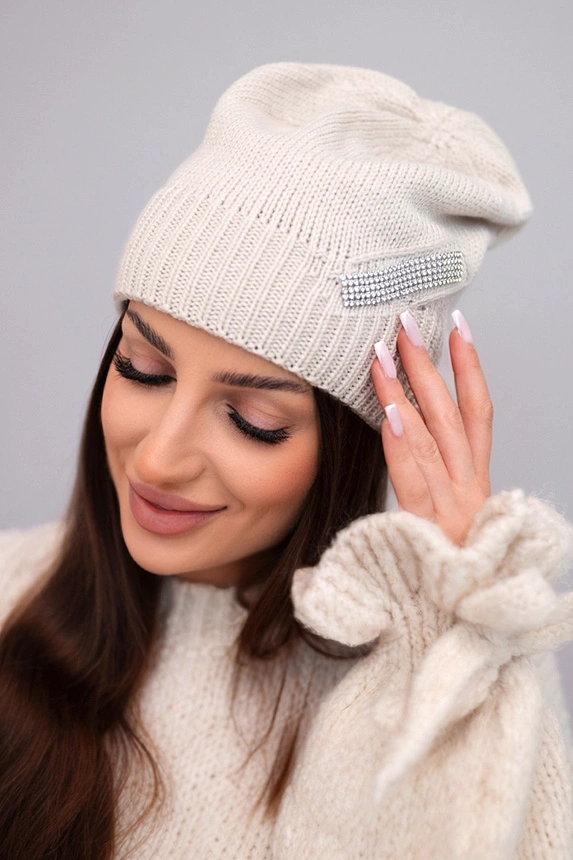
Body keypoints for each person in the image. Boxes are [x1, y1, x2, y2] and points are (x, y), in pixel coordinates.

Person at [1, 61, 572, 860]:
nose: (159, 459)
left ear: (351, 445)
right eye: (143, 369)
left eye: (253, 421)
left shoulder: (435, 685)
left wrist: (454, 634)